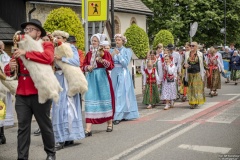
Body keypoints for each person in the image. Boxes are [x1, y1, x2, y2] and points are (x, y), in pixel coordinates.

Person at [5, 19, 56, 160]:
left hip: (41, 92)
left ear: (38, 33)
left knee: (45, 126)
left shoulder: (46, 45)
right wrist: (11, 67)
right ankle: (22, 157)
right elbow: (10, 70)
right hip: (22, 92)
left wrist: (26, 53)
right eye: (25, 30)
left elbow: (48, 57)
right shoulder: (20, 46)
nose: (26, 32)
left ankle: (51, 153)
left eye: (30, 29)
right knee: (22, 129)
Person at [51, 30, 85, 150]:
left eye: (58, 37)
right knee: (58, 108)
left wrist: (62, 58)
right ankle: (61, 137)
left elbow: (76, 61)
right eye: (54, 37)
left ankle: (68, 137)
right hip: (57, 79)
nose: (56, 39)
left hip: (68, 79)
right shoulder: (51, 48)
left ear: (64, 39)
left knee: (68, 107)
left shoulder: (71, 48)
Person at [83, 33, 115, 136]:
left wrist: (101, 60)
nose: (93, 43)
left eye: (95, 41)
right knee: (90, 99)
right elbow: (83, 65)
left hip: (102, 78)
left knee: (104, 98)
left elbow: (110, 66)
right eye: (92, 41)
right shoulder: (88, 54)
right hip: (91, 78)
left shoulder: (105, 53)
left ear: (100, 42)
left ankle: (109, 123)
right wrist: (87, 67)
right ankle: (88, 128)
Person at [110, 34, 139, 125]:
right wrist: (112, 55)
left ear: (122, 41)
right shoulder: (112, 50)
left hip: (123, 73)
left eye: (119, 40)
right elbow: (109, 61)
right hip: (114, 72)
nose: (117, 41)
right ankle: (116, 113)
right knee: (114, 93)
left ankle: (118, 116)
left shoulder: (127, 51)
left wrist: (118, 55)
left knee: (121, 93)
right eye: (116, 40)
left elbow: (125, 63)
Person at [33, 32, 53, 137]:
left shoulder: (51, 51)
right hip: (40, 81)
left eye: (47, 40)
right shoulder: (38, 50)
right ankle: (41, 127)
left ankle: (47, 127)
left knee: (48, 106)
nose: (45, 42)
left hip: (51, 80)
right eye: (43, 40)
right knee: (40, 105)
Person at [183, 41, 207, 109]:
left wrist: (207, 71)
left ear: (196, 47)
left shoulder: (200, 54)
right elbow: (182, 63)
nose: (191, 47)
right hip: (189, 73)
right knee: (191, 88)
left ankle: (196, 101)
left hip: (197, 73)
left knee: (196, 88)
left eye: (193, 46)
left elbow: (204, 63)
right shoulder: (186, 54)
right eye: (191, 46)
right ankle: (192, 102)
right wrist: (184, 66)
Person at [0, 41, 14, 145]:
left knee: (1, 110)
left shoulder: (4, 56)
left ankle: (1, 135)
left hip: (2, 87)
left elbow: (7, 70)